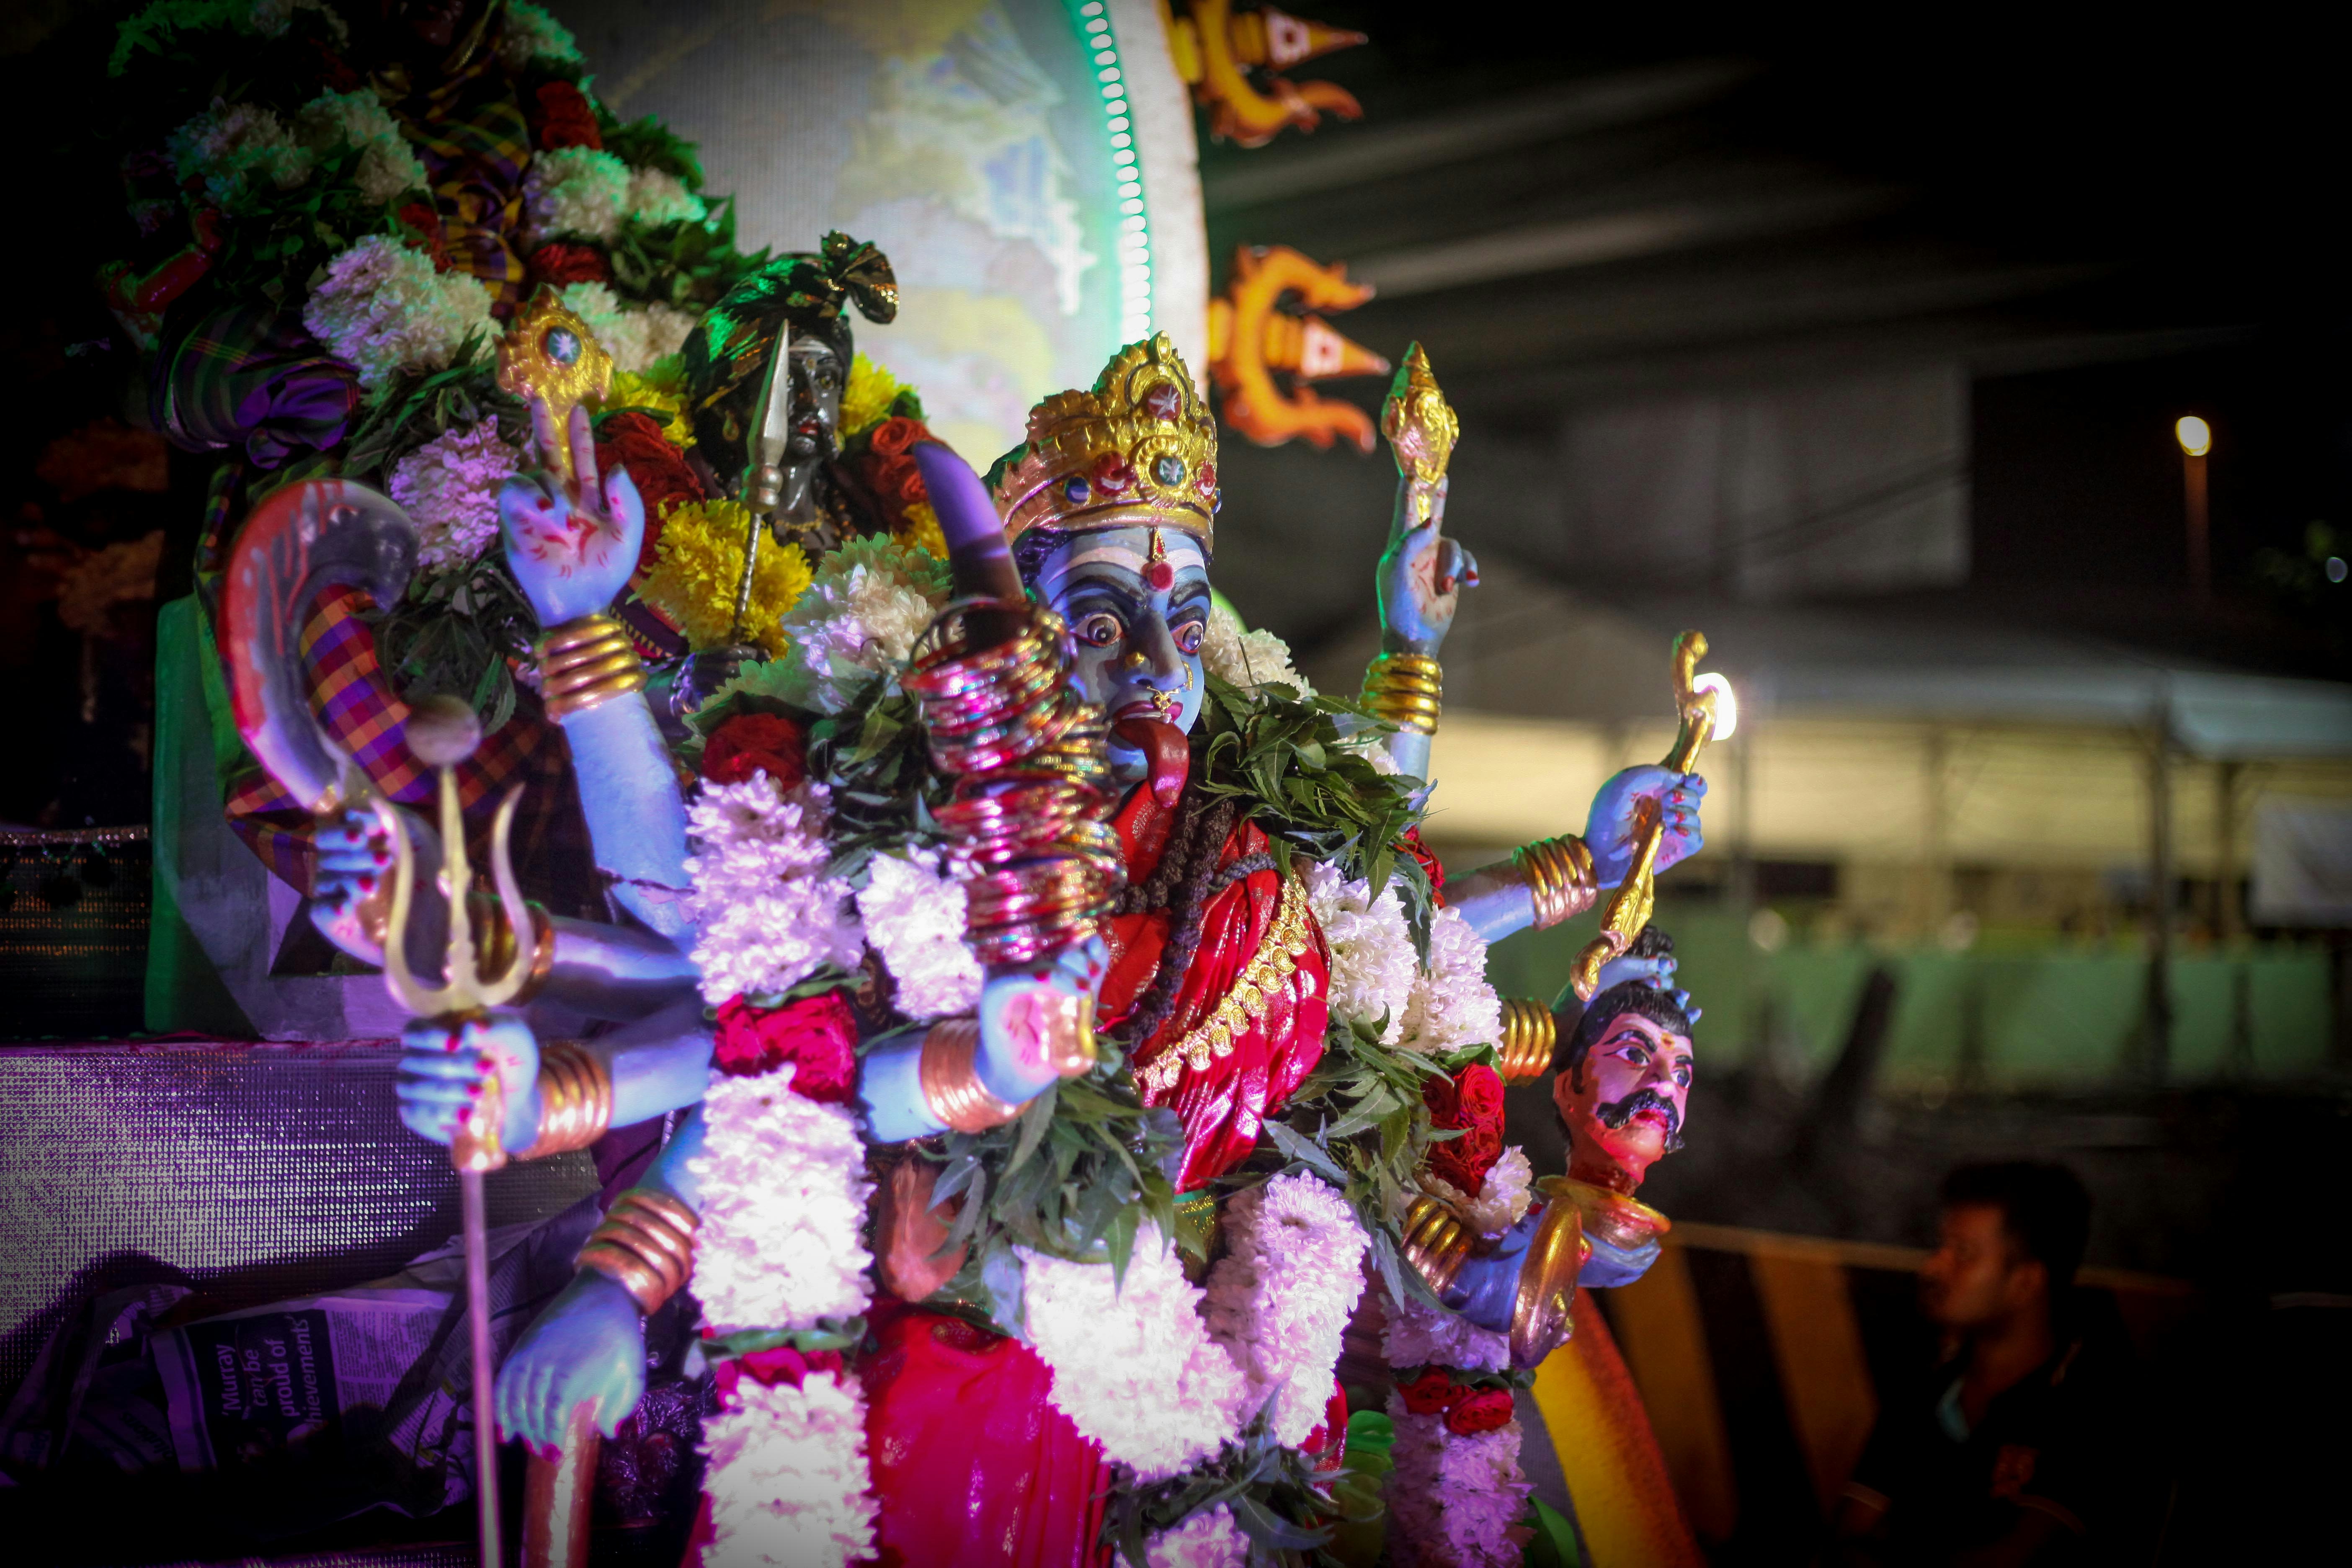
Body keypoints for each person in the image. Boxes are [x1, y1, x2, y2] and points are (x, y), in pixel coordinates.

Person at [1836, 1162, 2122, 1566]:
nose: (1933, 1267)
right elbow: (1850, 1534)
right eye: (1940, 1248)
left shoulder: (2094, 1403)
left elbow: (2018, 1557)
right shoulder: (1928, 1385)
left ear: (2026, 1281)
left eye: (1963, 1254)